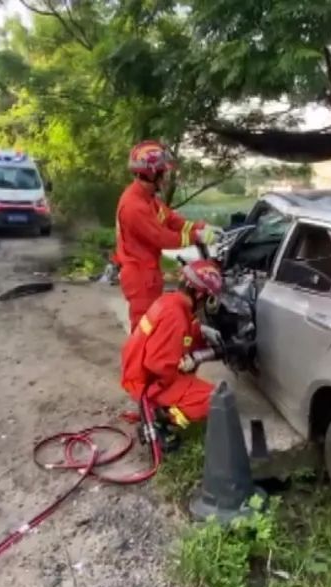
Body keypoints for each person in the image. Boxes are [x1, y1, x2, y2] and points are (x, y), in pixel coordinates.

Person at [113, 140, 222, 330]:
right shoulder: (134, 206)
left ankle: (149, 359)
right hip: (139, 276)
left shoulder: (147, 199)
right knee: (144, 331)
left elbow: (172, 220)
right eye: (163, 172)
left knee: (151, 328)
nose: (165, 178)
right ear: (152, 173)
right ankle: (139, 361)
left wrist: (202, 227)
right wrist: (197, 237)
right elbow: (161, 238)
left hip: (147, 273)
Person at [120, 259, 224, 434]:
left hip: (139, 371)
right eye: (209, 297)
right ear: (199, 295)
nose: (209, 303)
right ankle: (163, 414)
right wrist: (179, 372)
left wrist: (203, 337)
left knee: (193, 380)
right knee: (216, 400)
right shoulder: (175, 317)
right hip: (148, 382)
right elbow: (157, 365)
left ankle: (164, 402)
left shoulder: (172, 302)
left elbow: (187, 336)